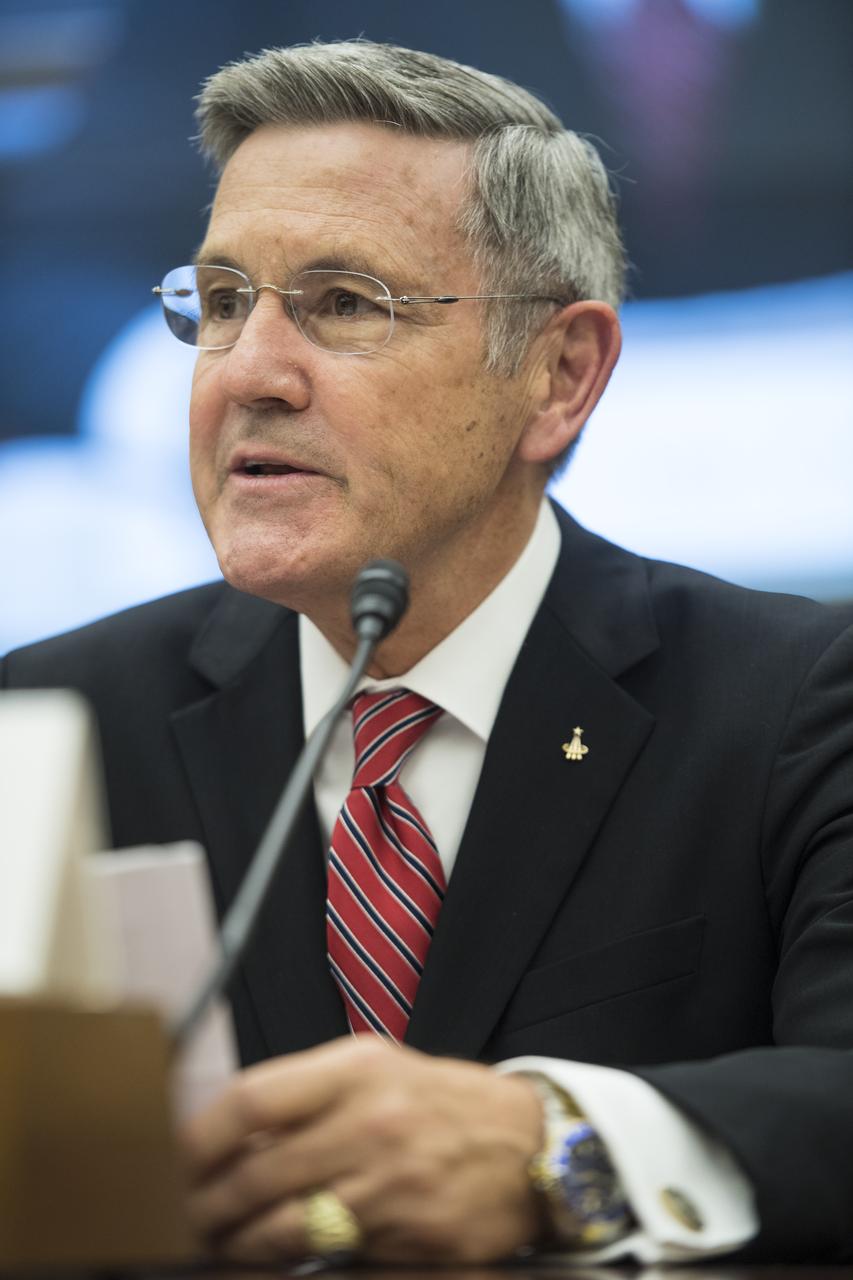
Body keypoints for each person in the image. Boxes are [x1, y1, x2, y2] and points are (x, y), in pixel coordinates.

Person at [3, 39, 853, 1267]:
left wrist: (551, 1145)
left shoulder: (796, 702)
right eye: (223, 301)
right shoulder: (48, 713)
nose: (247, 372)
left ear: (561, 375)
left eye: (345, 304)